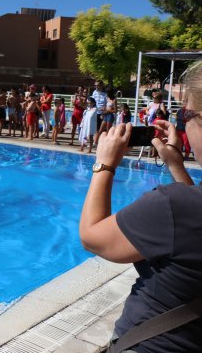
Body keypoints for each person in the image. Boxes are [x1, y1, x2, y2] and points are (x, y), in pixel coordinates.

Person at [78, 60, 202, 352]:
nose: (184, 123)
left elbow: (92, 237)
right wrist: (175, 165)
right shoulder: (186, 207)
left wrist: (104, 164)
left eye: (188, 114)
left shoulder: (172, 205)